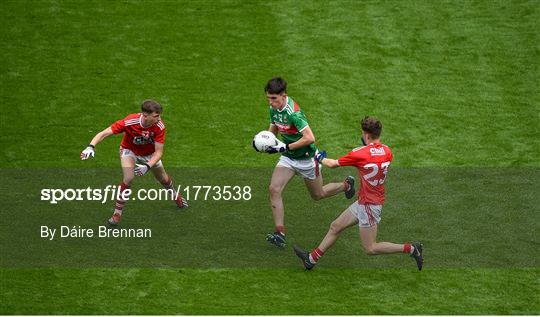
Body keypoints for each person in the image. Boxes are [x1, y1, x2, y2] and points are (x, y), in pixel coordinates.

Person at [293, 116, 423, 270]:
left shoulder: (360, 153)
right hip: (367, 200)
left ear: (367, 135)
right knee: (336, 226)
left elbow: (333, 164)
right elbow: (375, 156)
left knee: (370, 248)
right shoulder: (387, 151)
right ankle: (311, 260)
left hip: (369, 205)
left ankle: (412, 249)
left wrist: (318, 156)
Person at [260, 77, 356, 248]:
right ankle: (280, 233)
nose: (271, 102)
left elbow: (310, 138)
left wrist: (285, 146)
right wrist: (267, 141)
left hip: (307, 159)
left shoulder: (294, 113)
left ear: (284, 96)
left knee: (318, 195)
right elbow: (274, 127)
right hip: (289, 158)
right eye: (268, 98)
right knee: (274, 189)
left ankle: (346, 185)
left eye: (274, 98)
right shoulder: (273, 109)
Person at [80, 99, 188, 225]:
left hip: (149, 155)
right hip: (129, 151)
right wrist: (91, 146)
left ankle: (176, 196)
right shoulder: (130, 121)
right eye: (156, 116)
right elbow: (105, 133)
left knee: (163, 179)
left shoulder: (159, 126)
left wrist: (147, 166)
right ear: (145, 115)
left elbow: (158, 152)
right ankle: (117, 214)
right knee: (129, 178)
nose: (159, 119)